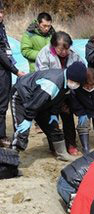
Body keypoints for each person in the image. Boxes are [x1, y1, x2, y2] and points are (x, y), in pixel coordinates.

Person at [10, 62, 87, 161]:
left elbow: (58, 100)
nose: (75, 84)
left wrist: (54, 113)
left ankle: (62, 153)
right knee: (22, 129)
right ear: (69, 76)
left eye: (78, 83)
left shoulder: (67, 84)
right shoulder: (52, 83)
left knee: (53, 127)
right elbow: (36, 102)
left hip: (41, 101)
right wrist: (28, 118)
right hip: (22, 96)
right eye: (74, 81)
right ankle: (12, 159)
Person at [36, 31, 84, 156]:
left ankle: (71, 144)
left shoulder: (74, 54)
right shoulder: (44, 54)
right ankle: (55, 146)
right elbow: (42, 74)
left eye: (66, 49)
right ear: (53, 45)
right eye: (60, 49)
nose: (64, 52)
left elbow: (81, 68)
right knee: (52, 119)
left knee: (68, 116)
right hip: (51, 92)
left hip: (68, 91)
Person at [0, 2, 25, 148]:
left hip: (5, 69)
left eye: (2, 12)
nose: (1, 15)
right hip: (2, 70)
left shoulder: (1, 27)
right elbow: (1, 54)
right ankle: (1, 136)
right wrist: (15, 70)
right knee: (2, 105)